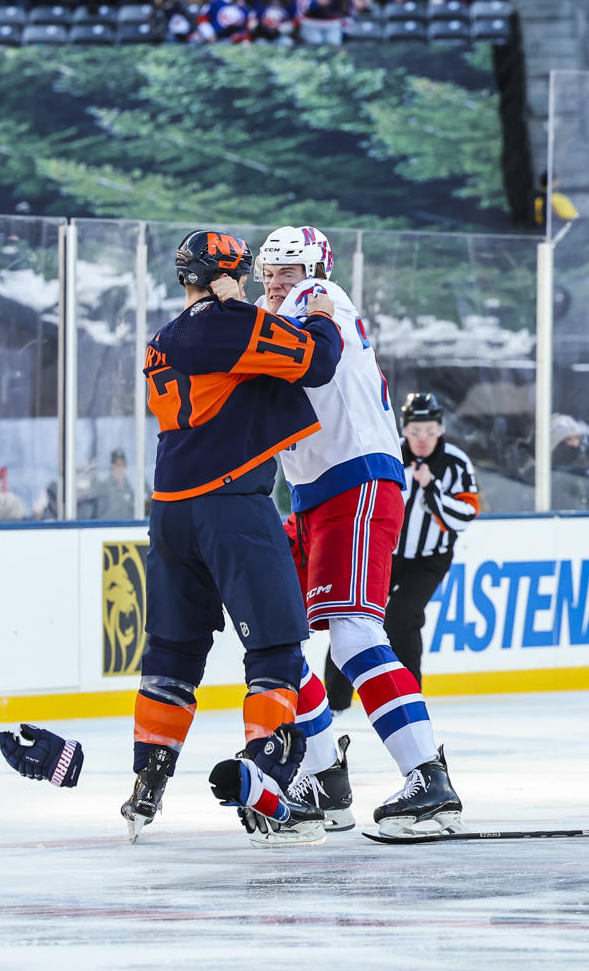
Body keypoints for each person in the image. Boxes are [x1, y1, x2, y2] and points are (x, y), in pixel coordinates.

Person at [120, 228, 341, 843]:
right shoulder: (230, 324)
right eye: (243, 272)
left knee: (173, 652)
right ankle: (265, 781)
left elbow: (241, 376)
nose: (251, 280)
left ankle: (147, 784)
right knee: (275, 650)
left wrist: (243, 310)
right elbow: (318, 360)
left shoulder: (164, 338)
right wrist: (318, 313)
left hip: (170, 510)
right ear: (225, 274)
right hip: (232, 506)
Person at [254, 230, 465, 838]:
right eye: (269, 272)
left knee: (351, 636)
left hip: (355, 482)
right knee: (278, 640)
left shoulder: (317, 296)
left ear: (314, 267)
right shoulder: (291, 304)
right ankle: (324, 776)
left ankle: (427, 773)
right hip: (317, 491)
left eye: (287, 269)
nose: (276, 281)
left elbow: (279, 350)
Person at [327, 391, 478, 705]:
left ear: (440, 429)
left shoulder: (456, 464)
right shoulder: (389, 453)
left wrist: (431, 488)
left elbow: (464, 516)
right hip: (385, 553)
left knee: (401, 619)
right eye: (415, 431)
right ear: (404, 428)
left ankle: (409, 698)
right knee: (354, 615)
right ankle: (336, 700)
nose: (422, 438)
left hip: (430, 560)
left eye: (430, 431)